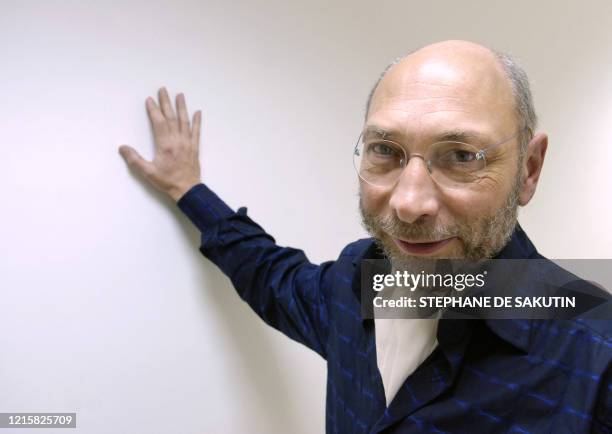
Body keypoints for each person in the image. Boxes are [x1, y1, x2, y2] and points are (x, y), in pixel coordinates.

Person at [118, 40, 612, 433]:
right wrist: (189, 188)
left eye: (462, 156)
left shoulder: (596, 351)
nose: (407, 202)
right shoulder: (357, 283)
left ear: (528, 170)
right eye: (386, 150)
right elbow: (267, 273)